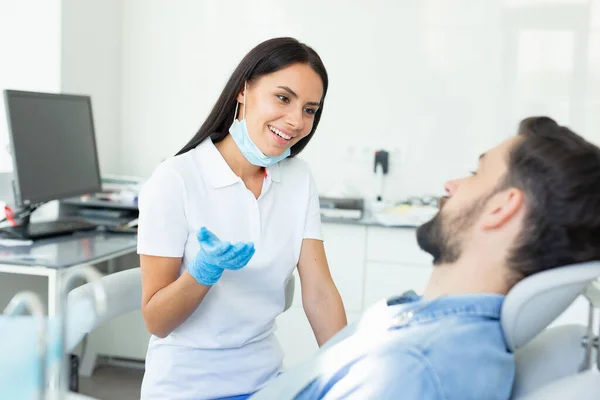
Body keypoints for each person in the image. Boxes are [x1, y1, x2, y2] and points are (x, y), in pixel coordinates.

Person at [249, 116, 600, 400]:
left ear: (501, 208)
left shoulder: (413, 368)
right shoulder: (420, 326)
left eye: (476, 174)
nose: (450, 185)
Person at [136, 37, 347, 400]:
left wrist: (351, 371)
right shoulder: (176, 179)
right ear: (243, 90)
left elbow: (320, 294)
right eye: (283, 98)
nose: (296, 120)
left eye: (310, 109)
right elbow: (157, 321)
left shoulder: (297, 178)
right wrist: (202, 273)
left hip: (265, 382)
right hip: (187, 387)